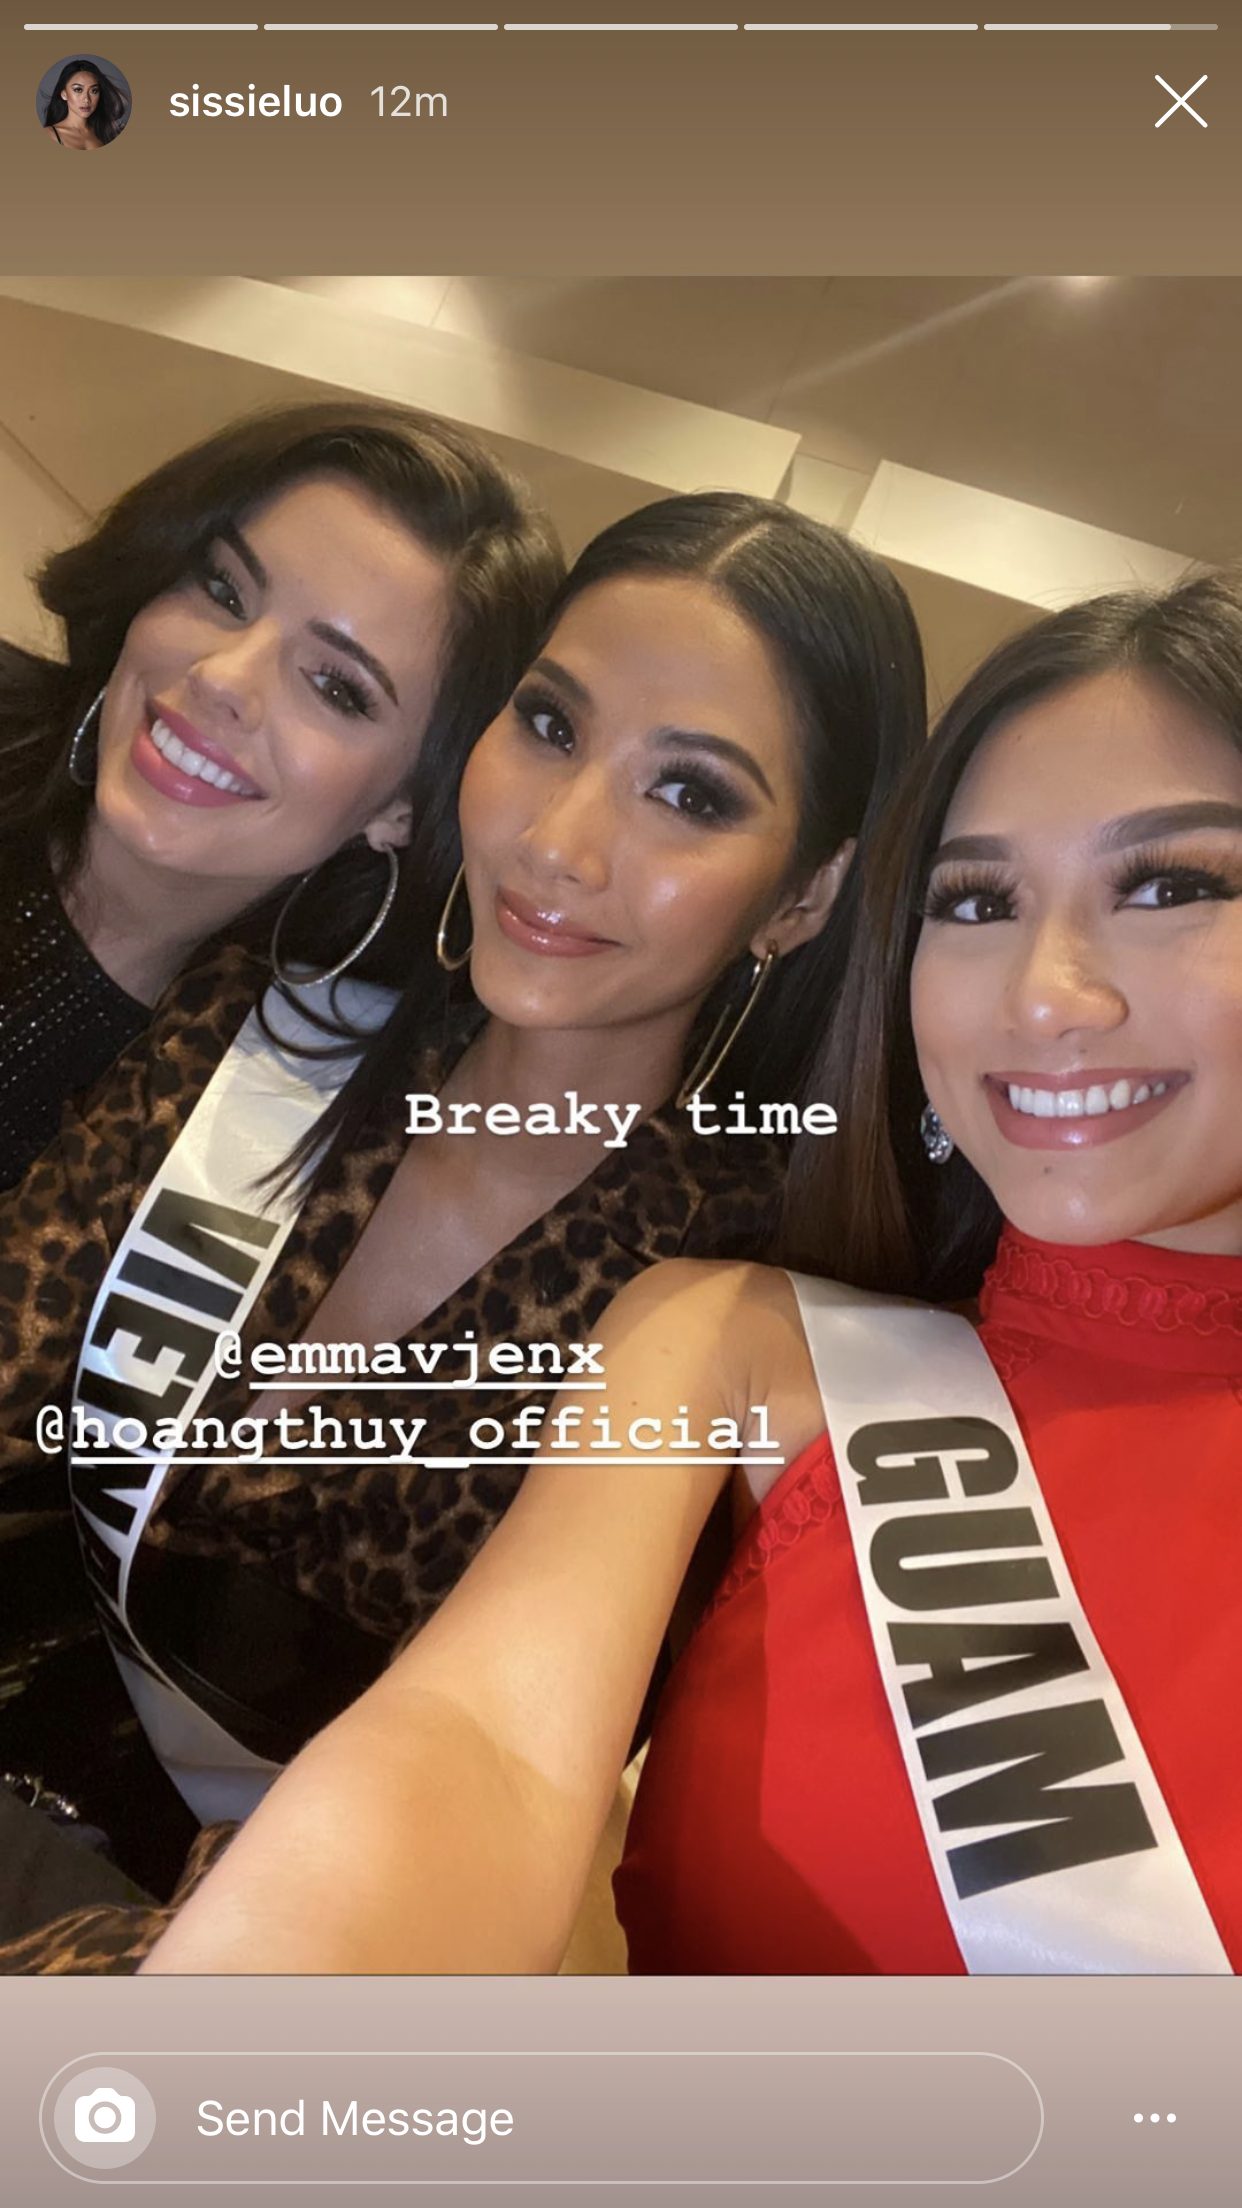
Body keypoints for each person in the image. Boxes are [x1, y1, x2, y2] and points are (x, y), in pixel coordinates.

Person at [136, 569, 1242, 1978]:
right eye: (974, 900)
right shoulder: (734, 1339)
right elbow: (484, 1745)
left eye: (1170, 886)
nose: (1043, 993)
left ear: (805, 896)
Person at [0, 491, 927, 1967]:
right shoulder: (267, 1032)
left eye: (690, 795)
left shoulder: (741, 1316)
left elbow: (514, 1812)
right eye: (549, 726)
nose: (559, 841)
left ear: (803, 895)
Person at [0, 398, 561, 1191]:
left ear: (403, 807)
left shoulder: (295, 1102)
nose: (222, 679)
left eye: (336, 687)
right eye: (224, 591)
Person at [41, 59, 128, 148]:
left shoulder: (108, 133)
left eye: (94, 91)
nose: (86, 99)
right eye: (78, 90)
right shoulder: (50, 135)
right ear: (64, 94)